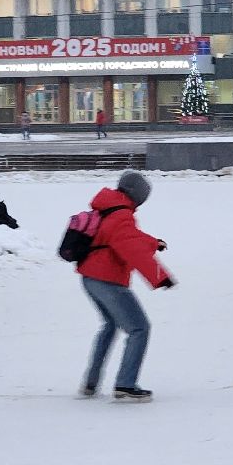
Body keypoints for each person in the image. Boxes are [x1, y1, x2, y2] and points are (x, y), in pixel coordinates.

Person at [75, 170, 174, 402]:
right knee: (139, 329)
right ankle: (125, 386)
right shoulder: (122, 215)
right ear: (138, 195)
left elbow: (126, 237)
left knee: (110, 325)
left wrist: (152, 242)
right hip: (107, 279)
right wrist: (160, 276)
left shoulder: (109, 208)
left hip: (89, 277)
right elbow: (129, 247)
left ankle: (90, 383)